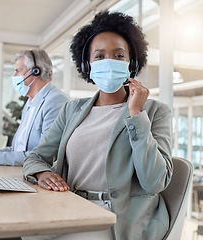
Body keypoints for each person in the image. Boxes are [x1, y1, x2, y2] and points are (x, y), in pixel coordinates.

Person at [23, 11, 172, 240]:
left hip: (116, 219)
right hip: (70, 207)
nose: (109, 62)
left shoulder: (154, 112)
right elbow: (36, 157)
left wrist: (135, 114)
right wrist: (42, 173)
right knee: (24, 233)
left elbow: (154, 182)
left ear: (131, 62)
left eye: (119, 55)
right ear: (87, 64)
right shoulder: (71, 110)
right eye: (99, 56)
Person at [0, 49, 70, 166]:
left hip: (37, 178)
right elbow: (16, 150)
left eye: (18, 71)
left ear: (35, 72)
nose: (14, 76)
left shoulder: (56, 101)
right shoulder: (30, 104)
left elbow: (45, 156)